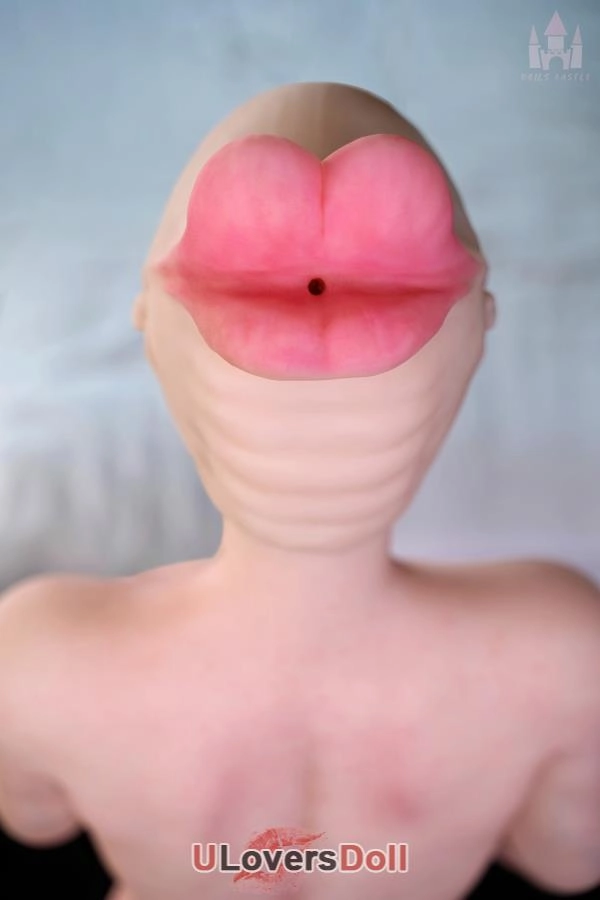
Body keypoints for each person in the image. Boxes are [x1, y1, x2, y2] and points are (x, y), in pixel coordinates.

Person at [1, 83, 599, 900]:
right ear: (476, 332)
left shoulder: (37, 658)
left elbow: (35, 820)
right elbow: (567, 860)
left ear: (151, 327)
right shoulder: (565, 655)